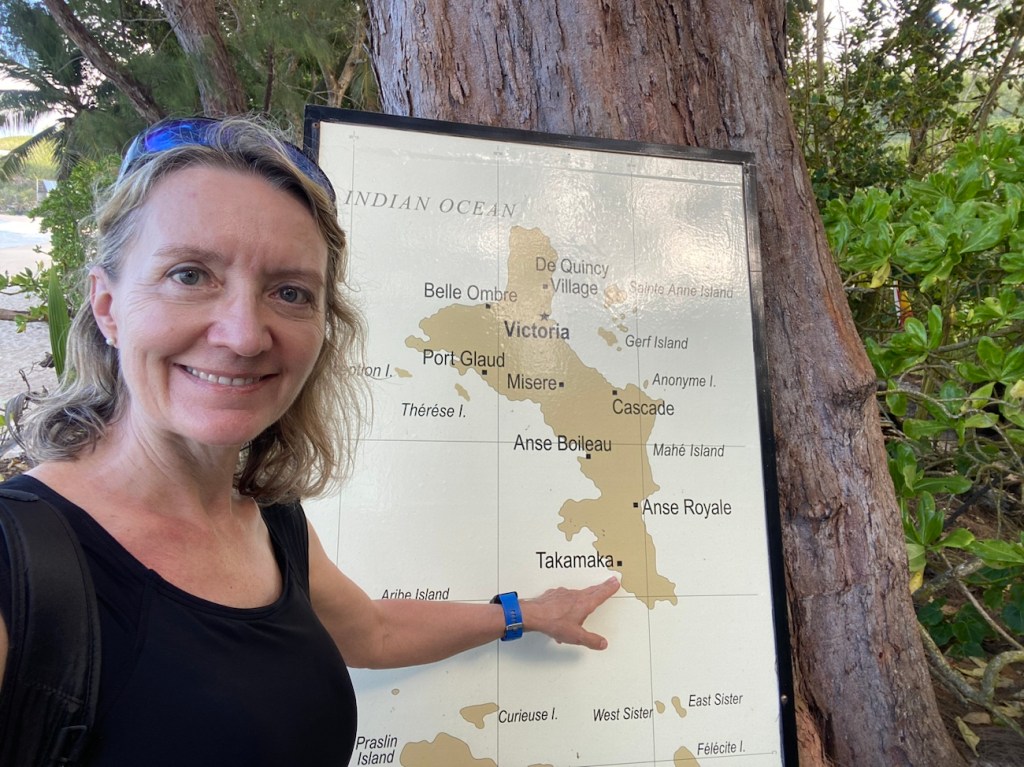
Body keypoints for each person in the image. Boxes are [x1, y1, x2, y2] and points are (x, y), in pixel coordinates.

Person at [0, 117, 619, 766]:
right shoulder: (18, 565)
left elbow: (373, 631)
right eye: (189, 275)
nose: (245, 334)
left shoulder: (270, 521)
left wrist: (525, 614)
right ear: (107, 305)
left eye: (290, 292)